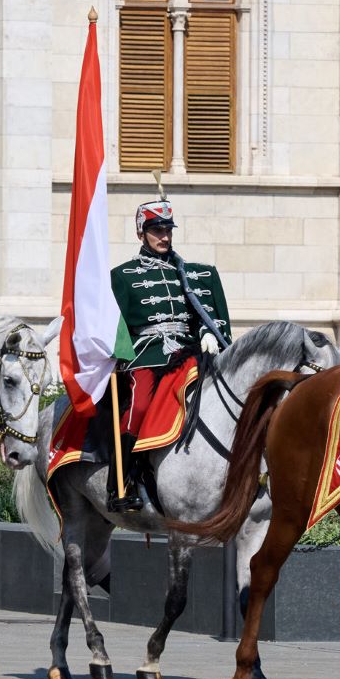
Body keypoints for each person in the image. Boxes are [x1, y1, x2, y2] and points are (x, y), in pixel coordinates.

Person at [108, 198, 231, 512]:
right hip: (146, 353)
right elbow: (114, 324)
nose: (164, 236)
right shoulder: (123, 276)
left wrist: (205, 333)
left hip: (187, 351)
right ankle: (120, 483)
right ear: (142, 233)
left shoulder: (189, 273)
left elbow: (201, 314)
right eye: (156, 230)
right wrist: (120, 356)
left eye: (167, 230)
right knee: (141, 403)